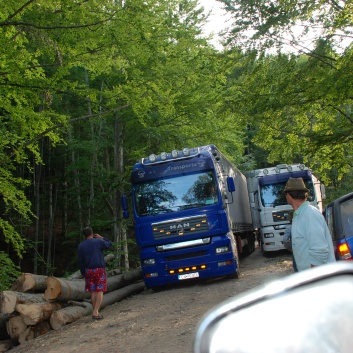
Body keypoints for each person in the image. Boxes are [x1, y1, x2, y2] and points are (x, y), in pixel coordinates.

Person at [283, 177, 335, 271]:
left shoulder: (310, 214)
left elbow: (319, 250)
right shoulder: (300, 215)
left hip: (320, 280)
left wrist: (313, 280)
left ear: (289, 196)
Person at [78, 227, 112, 319]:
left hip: (88, 270)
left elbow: (80, 261)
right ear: (92, 233)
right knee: (100, 290)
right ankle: (95, 312)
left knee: (93, 291)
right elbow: (109, 244)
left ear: (84, 235)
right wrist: (102, 237)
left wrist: (83, 272)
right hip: (99, 269)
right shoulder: (98, 241)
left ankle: (95, 310)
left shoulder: (81, 246)